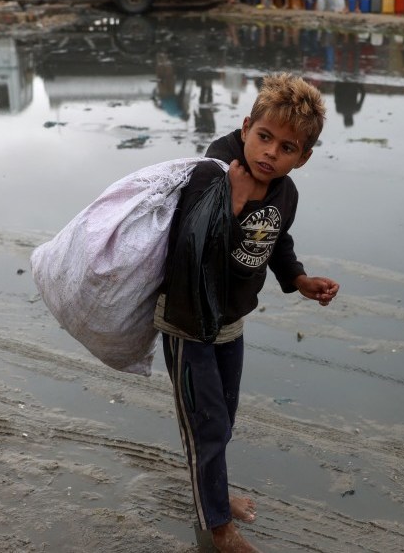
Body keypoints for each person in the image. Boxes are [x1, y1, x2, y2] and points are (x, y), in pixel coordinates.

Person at [157, 72, 338, 553]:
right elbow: (189, 249)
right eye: (263, 138)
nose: (270, 153)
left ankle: (213, 492)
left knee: (224, 419)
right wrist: (232, 204)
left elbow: (275, 239)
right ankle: (217, 527)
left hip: (231, 322)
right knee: (206, 424)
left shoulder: (284, 191)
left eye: (286, 148)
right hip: (188, 321)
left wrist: (297, 279)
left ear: (303, 158)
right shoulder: (211, 174)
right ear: (245, 127)